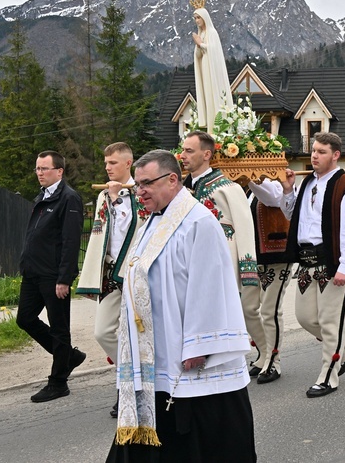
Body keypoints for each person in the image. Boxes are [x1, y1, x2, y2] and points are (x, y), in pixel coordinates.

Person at [107, 150, 255, 462]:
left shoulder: (198, 221)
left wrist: (198, 346)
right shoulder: (155, 221)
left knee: (201, 426)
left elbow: (210, 286)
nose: (141, 191)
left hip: (187, 351)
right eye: (138, 185)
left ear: (173, 179)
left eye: (147, 183)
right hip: (159, 345)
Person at [280, 132, 345, 398]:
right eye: (314, 150)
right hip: (307, 261)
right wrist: (287, 191)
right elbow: (294, 217)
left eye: (321, 151)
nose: (314, 155)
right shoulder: (307, 183)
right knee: (305, 318)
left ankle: (328, 376)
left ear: (335, 155)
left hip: (333, 261)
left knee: (330, 322)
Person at [77, 143, 149, 417]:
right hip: (111, 274)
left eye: (113, 163)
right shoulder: (103, 196)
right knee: (104, 331)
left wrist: (118, 200)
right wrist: (111, 199)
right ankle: (130, 378)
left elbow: (137, 225)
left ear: (128, 163)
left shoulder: (141, 192)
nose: (108, 167)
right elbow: (102, 233)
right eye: (106, 163)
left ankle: (130, 387)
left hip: (136, 274)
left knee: (138, 333)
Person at [179, 131, 262, 370]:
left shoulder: (228, 188)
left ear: (207, 154)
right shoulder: (183, 189)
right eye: (183, 150)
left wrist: (247, 269)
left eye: (189, 151)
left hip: (221, 260)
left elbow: (245, 227)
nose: (183, 155)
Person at [16, 151, 84, 403]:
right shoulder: (43, 196)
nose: (39, 173)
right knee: (24, 319)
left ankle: (58, 382)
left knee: (59, 329)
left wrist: (64, 278)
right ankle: (69, 357)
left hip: (54, 277)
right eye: (37, 169)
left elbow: (70, 241)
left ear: (59, 171)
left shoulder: (68, 198)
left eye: (44, 168)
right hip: (33, 274)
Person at [243, 178, 293, 384]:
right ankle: (263, 353)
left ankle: (274, 360)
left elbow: (272, 197)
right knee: (247, 308)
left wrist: (250, 178)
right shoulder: (247, 191)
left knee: (270, 310)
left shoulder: (278, 182)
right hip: (255, 258)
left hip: (278, 255)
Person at [192, 4, 234, 129]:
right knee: (207, 94)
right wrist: (199, 45)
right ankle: (210, 127)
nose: (197, 20)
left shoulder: (212, 32)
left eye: (198, 17)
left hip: (213, 69)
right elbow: (198, 54)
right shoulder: (203, 33)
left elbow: (214, 50)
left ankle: (217, 127)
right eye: (195, 18)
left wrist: (201, 44)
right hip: (205, 67)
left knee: (213, 94)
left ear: (204, 17)